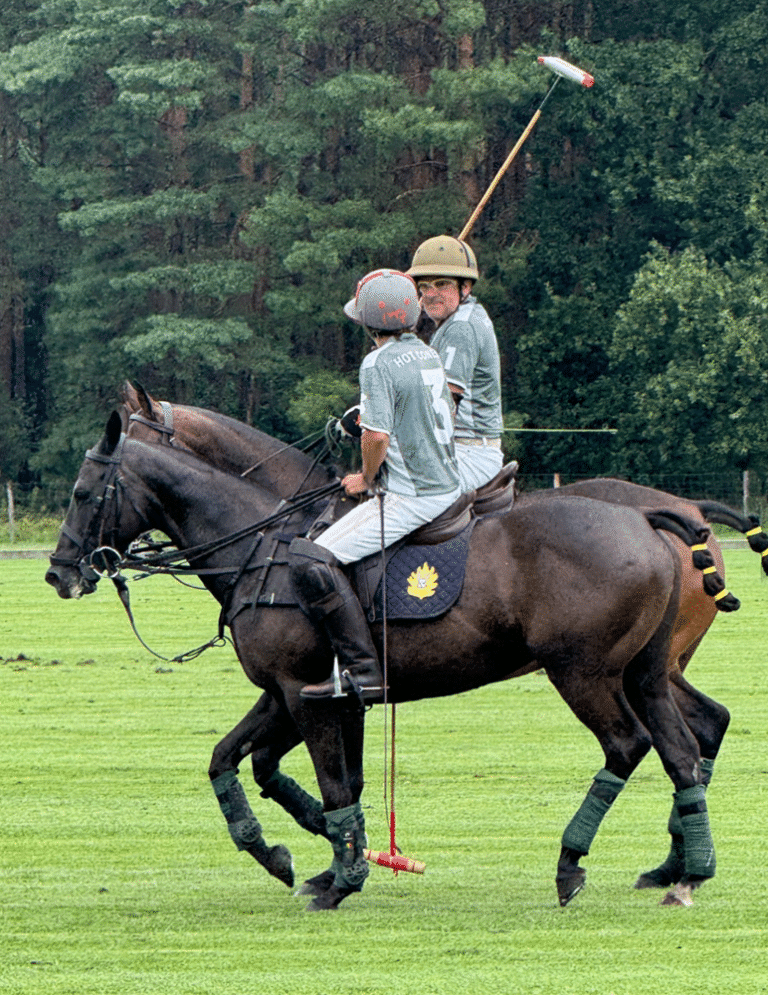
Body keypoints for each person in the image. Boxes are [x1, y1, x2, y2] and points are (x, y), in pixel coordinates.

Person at [289, 269, 462, 702]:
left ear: (369, 325)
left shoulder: (377, 363)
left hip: (413, 496)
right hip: (448, 482)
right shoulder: (427, 353)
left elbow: (377, 437)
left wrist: (366, 477)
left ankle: (362, 670)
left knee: (313, 558)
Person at [407, 235, 504, 492]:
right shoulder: (457, 320)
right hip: (462, 447)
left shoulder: (460, 329)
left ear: (466, 287)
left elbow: (443, 408)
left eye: (442, 284)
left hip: (468, 450)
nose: (431, 294)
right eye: (424, 286)